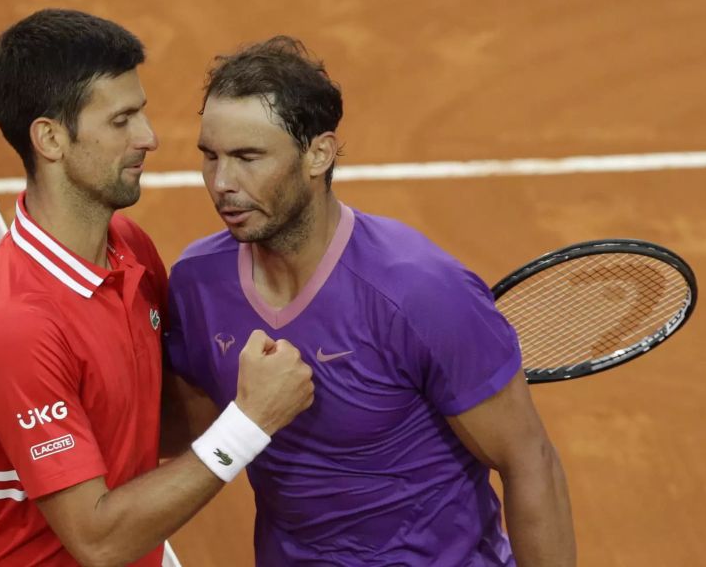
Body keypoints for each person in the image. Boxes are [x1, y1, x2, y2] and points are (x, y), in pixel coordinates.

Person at [162, 36, 577, 566]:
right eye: (209, 156)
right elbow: (188, 427)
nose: (221, 183)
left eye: (248, 157)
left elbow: (529, 461)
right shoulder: (199, 284)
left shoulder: (420, 291)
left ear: (318, 154)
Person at [0, 10, 314, 567]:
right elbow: (99, 540)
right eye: (121, 121)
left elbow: (155, 422)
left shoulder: (127, 248)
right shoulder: (13, 327)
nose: (149, 137)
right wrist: (250, 421)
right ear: (50, 139)